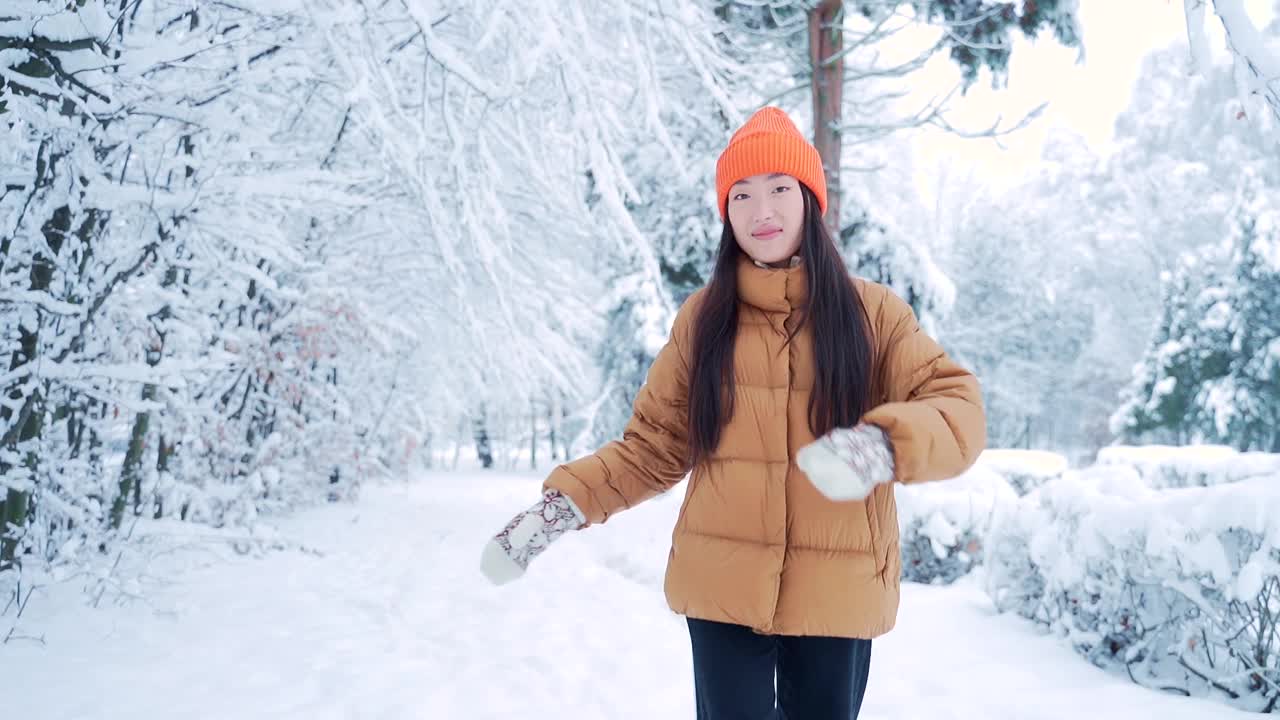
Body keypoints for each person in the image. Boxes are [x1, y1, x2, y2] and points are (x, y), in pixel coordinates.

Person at [479, 105, 986, 719]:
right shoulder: (705, 318)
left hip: (839, 585)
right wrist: (562, 507)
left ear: (810, 200)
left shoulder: (872, 315)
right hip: (722, 585)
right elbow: (655, 445)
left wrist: (881, 444)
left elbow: (956, 407)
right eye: (740, 195)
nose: (761, 211)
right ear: (726, 212)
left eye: (779, 188)